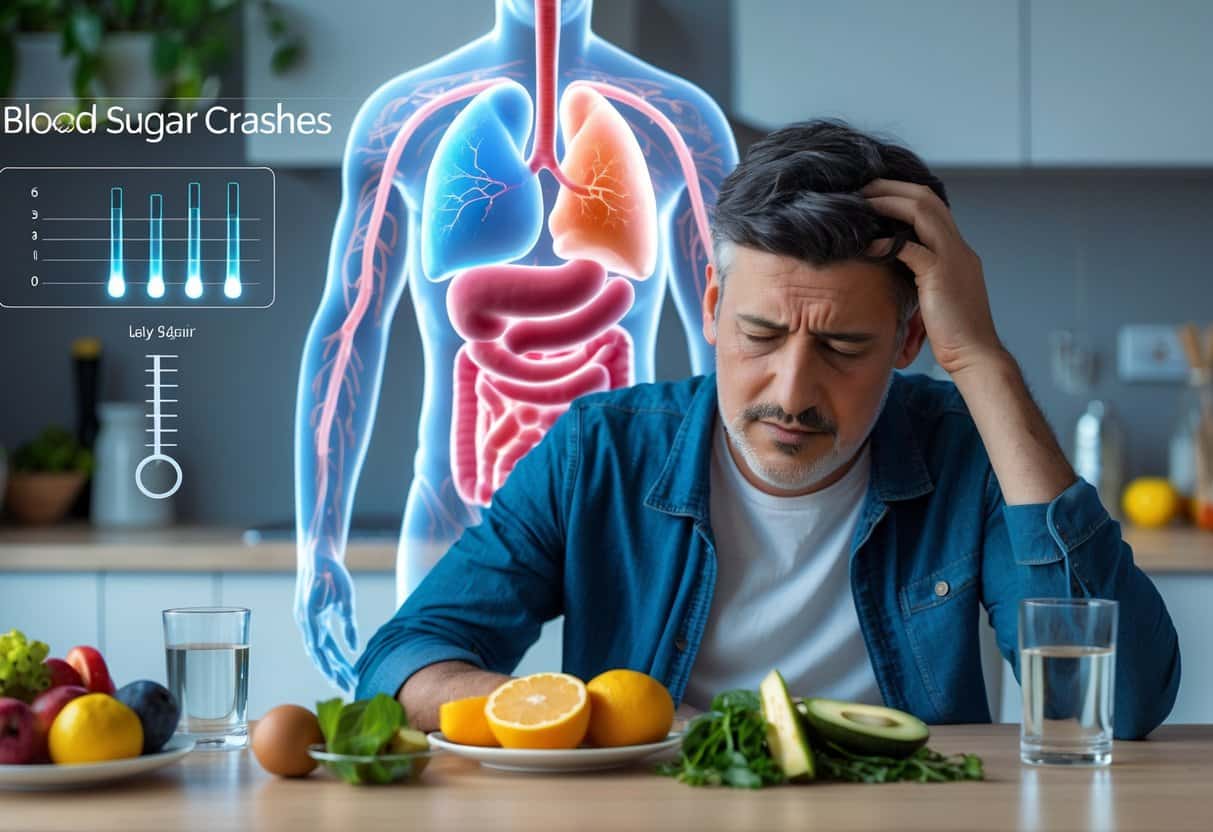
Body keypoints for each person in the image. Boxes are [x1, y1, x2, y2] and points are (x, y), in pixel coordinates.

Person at [354, 119, 1180, 738]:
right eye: (759, 335)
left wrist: (981, 361)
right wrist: (564, 712)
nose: (791, 391)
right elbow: (401, 662)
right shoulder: (601, 449)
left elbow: (1117, 704)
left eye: (842, 346)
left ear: (907, 341)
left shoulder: (967, 451)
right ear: (712, 309)